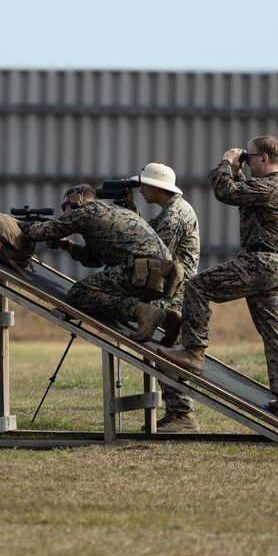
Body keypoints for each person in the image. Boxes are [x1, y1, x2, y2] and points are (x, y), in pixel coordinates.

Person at [159, 135, 278, 421]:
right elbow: (243, 191)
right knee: (276, 333)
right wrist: (237, 170)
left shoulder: (270, 188)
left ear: (264, 159)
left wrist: (225, 162)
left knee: (196, 286)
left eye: (249, 158)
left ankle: (194, 353)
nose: (246, 163)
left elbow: (226, 193)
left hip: (260, 263)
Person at [16, 183, 174, 342]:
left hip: (142, 271)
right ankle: (167, 318)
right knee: (115, 295)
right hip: (162, 275)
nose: (64, 212)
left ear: (77, 199)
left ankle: (143, 312)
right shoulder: (111, 211)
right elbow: (95, 259)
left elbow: (43, 231)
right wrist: (66, 244)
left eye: (65, 206)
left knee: (79, 293)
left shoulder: (86, 212)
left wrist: (14, 223)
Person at [123, 163, 201, 433]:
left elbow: (153, 249)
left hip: (174, 294)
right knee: (167, 350)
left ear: (158, 187)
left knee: (168, 352)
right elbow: (149, 235)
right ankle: (179, 412)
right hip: (173, 290)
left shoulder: (174, 215)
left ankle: (182, 414)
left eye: (143, 185)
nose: (141, 189)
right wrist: (131, 210)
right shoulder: (174, 209)